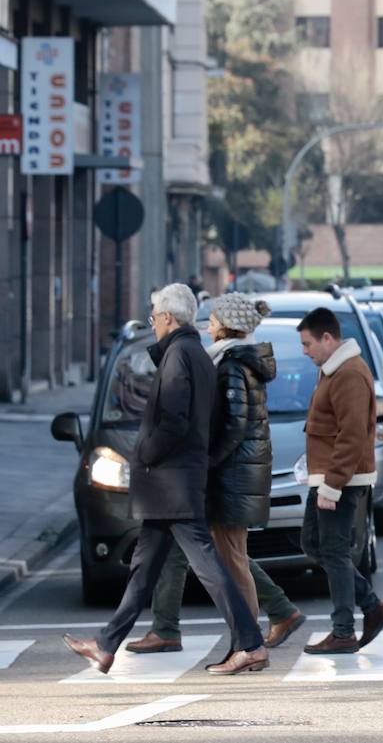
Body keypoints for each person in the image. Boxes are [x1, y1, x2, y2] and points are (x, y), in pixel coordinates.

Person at [62, 285, 267, 676]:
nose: (153, 320)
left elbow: (173, 422)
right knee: (144, 568)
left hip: (171, 483)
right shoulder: (191, 354)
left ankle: (251, 643)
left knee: (208, 566)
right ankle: (106, 645)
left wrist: (144, 455)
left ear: (169, 318)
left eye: (155, 315)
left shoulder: (180, 355)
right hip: (172, 484)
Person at [124, 294, 307, 656]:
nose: (206, 326)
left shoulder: (231, 364)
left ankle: (249, 641)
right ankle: (257, 623)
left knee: (223, 555)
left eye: (212, 321)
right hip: (228, 474)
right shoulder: (230, 360)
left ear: (225, 324)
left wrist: (204, 463)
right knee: (215, 552)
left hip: (225, 475)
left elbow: (233, 425)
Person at [297, 308, 383, 654]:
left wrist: (333, 485)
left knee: (335, 552)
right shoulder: (332, 369)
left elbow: (352, 435)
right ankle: (372, 606)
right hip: (326, 476)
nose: (305, 351)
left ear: (328, 338)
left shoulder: (349, 373)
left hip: (340, 479)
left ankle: (343, 631)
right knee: (313, 543)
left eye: (308, 344)